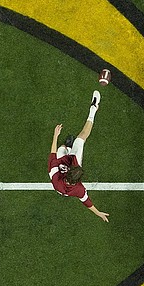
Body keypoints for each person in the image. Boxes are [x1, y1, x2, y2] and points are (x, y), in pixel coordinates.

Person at [48, 90, 109, 222]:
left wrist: (55, 136)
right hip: (71, 161)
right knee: (81, 138)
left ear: (67, 171)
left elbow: (52, 155)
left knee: (61, 149)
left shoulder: (55, 177)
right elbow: (87, 202)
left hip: (62, 164)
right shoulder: (78, 188)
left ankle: (68, 146)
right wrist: (98, 213)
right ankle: (93, 110)